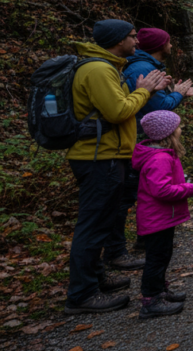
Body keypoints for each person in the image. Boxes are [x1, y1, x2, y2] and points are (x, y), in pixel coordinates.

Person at [65, 20, 169, 315]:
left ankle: (96, 278)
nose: (137, 41)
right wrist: (145, 91)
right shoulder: (98, 70)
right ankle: (82, 294)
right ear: (116, 39)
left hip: (106, 154)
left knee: (101, 221)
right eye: (132, 36)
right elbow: (119, 110)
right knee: (92, 224)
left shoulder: (108, 67)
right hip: (98, 156)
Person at [112, 28, 193, 270]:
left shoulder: (145, 66)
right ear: (161, 45)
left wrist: (178, 93)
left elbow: (157, 101)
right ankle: (121, 249)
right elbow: (158, 108)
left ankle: (144, 237)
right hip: (143, 137)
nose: (172, 45)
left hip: (142, 136)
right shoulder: (142, 68)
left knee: (140, 189)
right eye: (169, 41)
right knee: (132, 193)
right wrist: (178, 95)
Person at [131, 110, 193, 319]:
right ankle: (151, 299)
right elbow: (162, 190)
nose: (180, 129)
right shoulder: (159, 159)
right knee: (156, 258)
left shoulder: (164, 155)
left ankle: (160, 289)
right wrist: (190, 188)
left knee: (163, 254)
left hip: (163, 218)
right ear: (168, 133)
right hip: (156, 218)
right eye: (177, 127)